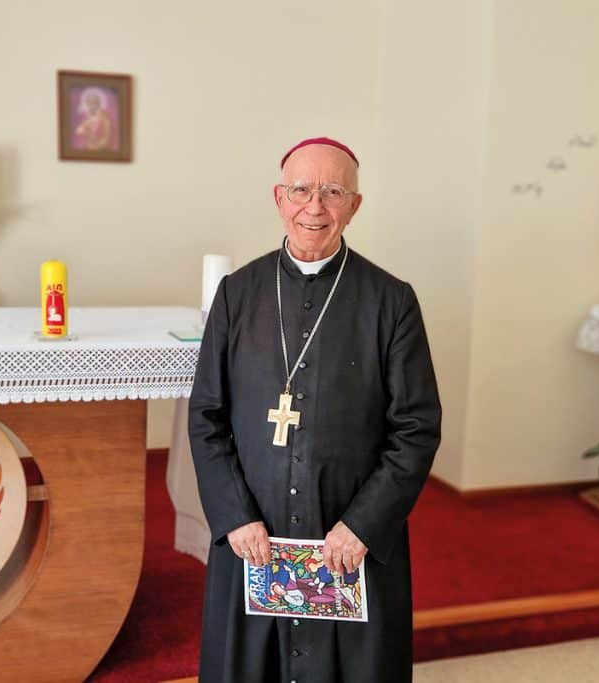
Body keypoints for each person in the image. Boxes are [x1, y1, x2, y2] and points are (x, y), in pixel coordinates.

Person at [189, 137, 441, 682]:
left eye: (333, 191)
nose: (315, 206)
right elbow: (206, 416)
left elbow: (416, 429)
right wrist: (234, 517)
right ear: (279, 197)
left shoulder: (391, 301)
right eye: (301, 189)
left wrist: (363, 525)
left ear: (354, 205)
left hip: (346, 539)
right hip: (254, 536)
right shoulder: (237, 295)